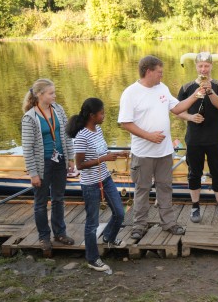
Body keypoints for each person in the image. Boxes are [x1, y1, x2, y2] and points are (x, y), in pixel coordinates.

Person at [118, 55, 201, 239]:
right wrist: (149, 136)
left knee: (165, 187)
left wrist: (196, 96)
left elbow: (177, 108)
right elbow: (125, 123)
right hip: (143, 153)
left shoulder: (162, 88)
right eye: (159, 72)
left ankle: (168, 223)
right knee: (142, 189)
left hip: (164, 152)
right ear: (148, 72)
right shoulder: (131, 93)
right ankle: (139, 225)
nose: (161, 76)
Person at [66, 98, 128, 272]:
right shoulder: (81, 137)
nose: (104, 116)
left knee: (119, 212)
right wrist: (104, 159)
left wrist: (115, 153)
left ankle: (108, 236)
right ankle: (92, 259)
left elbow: (103, 151)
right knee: (92, 224)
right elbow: (80, 166)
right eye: (101, 113)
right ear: (92, 115)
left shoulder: (98, 130)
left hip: (105, 178)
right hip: (90, 184)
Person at [177, 51, 218, 223]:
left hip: (215, 137)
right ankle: (195, 206)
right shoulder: (186, 87)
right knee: (194, 173)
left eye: (207, 66)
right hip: (194, 138)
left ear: (211, 67)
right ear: (196, 66)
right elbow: (178, 110)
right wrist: (190, 117)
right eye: (201, 66)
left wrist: (209, 91)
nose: (204, 69)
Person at [21, 79, 75, 255]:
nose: (55, 95)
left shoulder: (58, 109)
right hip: (41, 164)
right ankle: (44, 236)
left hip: (59, 161)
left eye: (54, 92)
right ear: (40, 95)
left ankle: (60, 233)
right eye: (51, 93)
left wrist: (70, 158)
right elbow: (27, 149)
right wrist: (33, 173)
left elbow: (66, 135)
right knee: (41, 202)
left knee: (59, 198)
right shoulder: (30, 117)